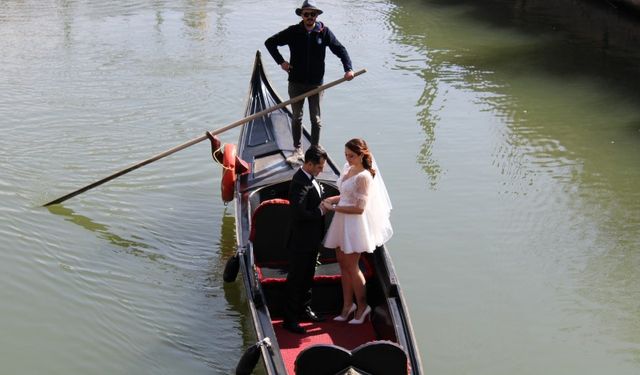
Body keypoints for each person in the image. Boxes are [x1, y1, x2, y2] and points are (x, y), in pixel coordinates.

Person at [265, 0, 355, 164]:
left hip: (316, 84)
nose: (309, 17)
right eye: (306, 14)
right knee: (297, 118)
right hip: (296, 82)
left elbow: (340, 49)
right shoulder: (293, 31)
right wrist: (281, 62)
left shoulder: (324, 32)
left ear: (317, 16)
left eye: (313, 14)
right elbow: (270, 43)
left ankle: (314, 150)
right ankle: (297, 149)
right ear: (301, 15)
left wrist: (348, 69)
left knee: (316, 120)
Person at [322, 139, 393, 324]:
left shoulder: (364, 177)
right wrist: (333, 199)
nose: (348, 158)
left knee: (352, 267)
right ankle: (347, 306)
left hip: (354, 223)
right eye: (346, 154)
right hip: (341, 220)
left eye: (351, 155)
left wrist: (334, 208)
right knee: (342, 264)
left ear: (362, 155)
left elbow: (359, 208)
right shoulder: (347, 167)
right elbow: (345, 194)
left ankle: (362, 307)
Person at [283, 145, 329, 334]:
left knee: (308, 277)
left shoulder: (311, 178)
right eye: (319, 167)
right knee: (296, 280)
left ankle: (305, 309)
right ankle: (290, 319)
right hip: (300, 242)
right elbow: (298, 212)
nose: (321, 170)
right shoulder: (300, 182)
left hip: (311, 241)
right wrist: (320, 211)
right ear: (309, 164)